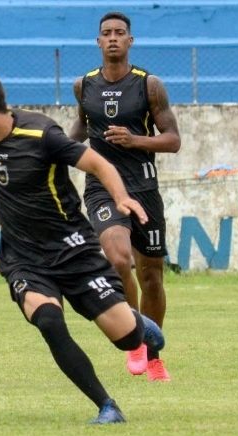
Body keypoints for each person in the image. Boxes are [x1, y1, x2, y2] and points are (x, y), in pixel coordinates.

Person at [0, 71, 165, 424]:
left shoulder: (42, 135)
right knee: (49, 320)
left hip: (73, 250)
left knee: (128, 340)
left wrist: (122, 197)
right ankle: (106, 405)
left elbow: (98, 162)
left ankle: (140, 327)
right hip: (23, 258)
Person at [70, 11, 181, 381]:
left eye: (120, 33)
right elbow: (78, 132)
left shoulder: (149, 85)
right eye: (106, 33)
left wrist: (136, 141)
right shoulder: (83, 86)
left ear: (130, 41)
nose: (113, 38)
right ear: (98, 42)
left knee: (151, 276)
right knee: (118, 259)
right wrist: (45, 151)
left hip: (144, 187)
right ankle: (133, 339)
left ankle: (153, 354)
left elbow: (173, 140)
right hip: (102, 187)